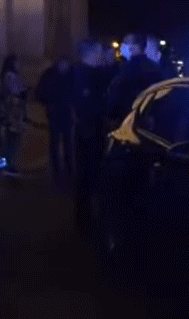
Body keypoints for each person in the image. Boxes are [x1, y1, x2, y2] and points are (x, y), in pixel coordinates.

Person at [72, 40, 107, 232]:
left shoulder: (91, 73)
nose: (102, 54)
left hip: (90, 130)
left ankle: (85, 218)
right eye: (100, 50)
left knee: (88, 177)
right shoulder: (83, 74)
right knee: (88, 176)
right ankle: (86, 220)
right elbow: (87, 104)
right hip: (89, 132)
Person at [106, 33, 163, 127]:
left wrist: (110, 115)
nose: (122, 46)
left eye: (126, 43)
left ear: (134, 46)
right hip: (148, 118)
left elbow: (116, 93)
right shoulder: (153, 67)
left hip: (128, 118)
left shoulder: (126, 68)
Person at [36, 56, 76, 187]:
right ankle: (59, 169)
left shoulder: (67, 74)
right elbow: (40, 93)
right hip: (57, 112)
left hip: (64, 112)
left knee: (66, 141)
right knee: (57, 141)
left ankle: (66, 168)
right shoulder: (53, 75)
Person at [0, 55, 29, 174]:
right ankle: (7, 165)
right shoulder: (11, 76)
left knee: (10, 140)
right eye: (17, 62)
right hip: (14, 113)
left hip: (11, 112)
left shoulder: (6, 76)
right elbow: (17, 93)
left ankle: (7, 164)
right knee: (12, 141)